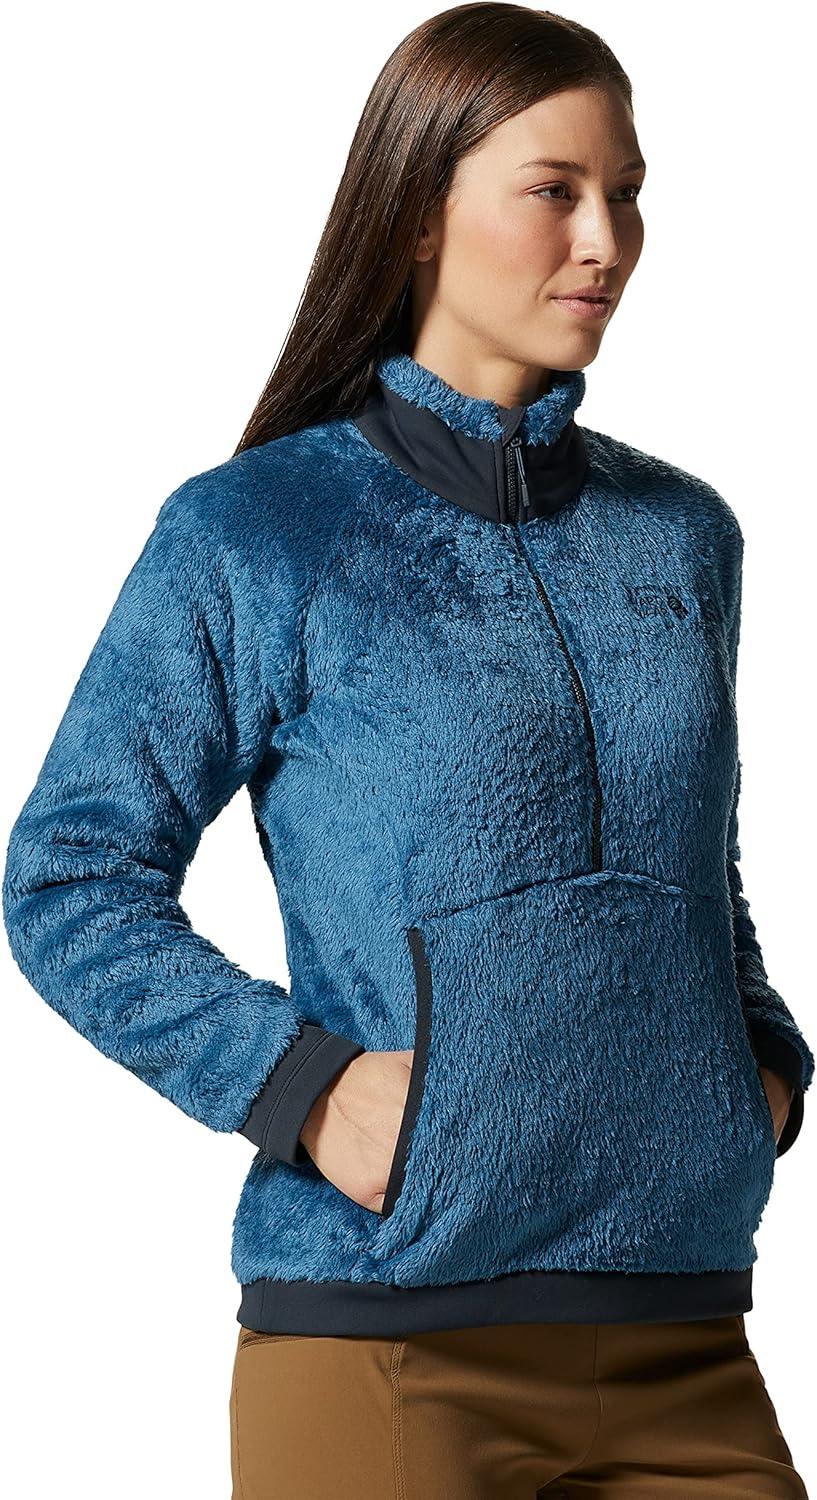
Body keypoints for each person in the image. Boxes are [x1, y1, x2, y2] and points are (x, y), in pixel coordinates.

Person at [3, 4, 813, 1496]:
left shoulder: (683, 536)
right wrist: (301, 1085)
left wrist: (757, 1063)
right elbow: (69, 876)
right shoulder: (260, 531)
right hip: (385, 1346)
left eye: (626, 193)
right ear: (421, 213)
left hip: (687, 1338)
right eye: (554, 190)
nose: (606, 241)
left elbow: (702, 866)